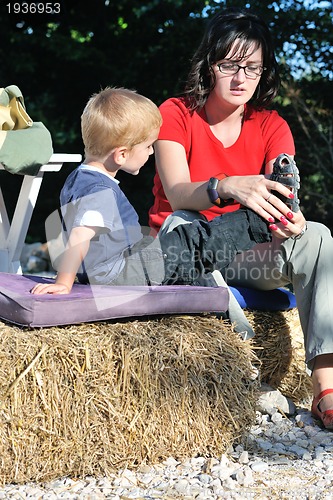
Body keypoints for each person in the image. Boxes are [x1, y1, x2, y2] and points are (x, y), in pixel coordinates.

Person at [148, 7, 333, 429]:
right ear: (209, 65)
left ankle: (325, 388)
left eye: (252, 67)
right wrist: (226, 185)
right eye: (229, 64)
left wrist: (294, 222)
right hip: (187, 248)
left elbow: (286, 194)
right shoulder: (175, 112)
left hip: (246, 257)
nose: (240, 77)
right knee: (182, 217)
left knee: (319, 236)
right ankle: (230, 357)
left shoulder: (272, 125)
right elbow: (177, 190)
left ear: (263, 71)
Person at [30, 87, 276, 298]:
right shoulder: (98, 189)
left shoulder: (78, 178)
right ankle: (256, 221)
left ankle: (215, 309)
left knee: (185, 263)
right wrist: (64, 282)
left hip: (114, 268)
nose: (150, 153)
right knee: (191, 243)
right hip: (119, 274)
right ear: (122, 154)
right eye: (148, 146)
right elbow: (80, 235)